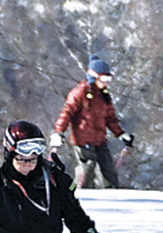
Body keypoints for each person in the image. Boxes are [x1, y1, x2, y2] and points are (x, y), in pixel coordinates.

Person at [49, 55, 134, 188]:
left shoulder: (104, 96)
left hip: (100, 141)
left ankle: (112, 196)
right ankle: (74, 192)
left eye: (109, 79)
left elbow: (110, 118)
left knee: (109, 173)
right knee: (86, 171)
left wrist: (121, 134)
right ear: (94, 77)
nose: (106, 83)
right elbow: (66, 113)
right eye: (104, 79)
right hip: (82, 141)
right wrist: (58, 132)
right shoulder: (79, 92)